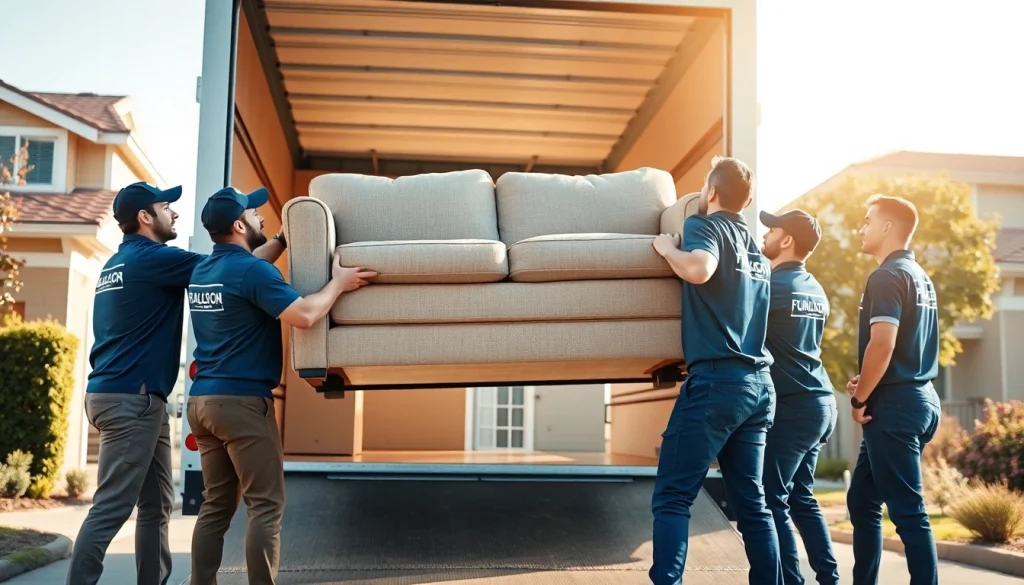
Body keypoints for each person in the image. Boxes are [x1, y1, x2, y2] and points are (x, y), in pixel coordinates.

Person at [67, 182, 287, 585]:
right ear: (145, 218)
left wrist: (278, 241)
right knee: (112, 506)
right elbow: (231, 270)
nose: (175, 214)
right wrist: (280, 240)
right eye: (166, 206)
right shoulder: (154, 260)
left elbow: (236, 268)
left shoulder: (117, 263)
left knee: (156, 504)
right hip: (132, 399)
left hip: (117, 393)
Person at [186, 186, 375, 585]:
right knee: (266, 505)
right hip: (241, 405)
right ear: (239, 225)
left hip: (203, 403)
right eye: (255, 215)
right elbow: (305, 315)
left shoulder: (204, 270)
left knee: (216, 506)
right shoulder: (252, 272)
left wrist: (284, 238)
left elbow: (249, 266)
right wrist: (339, 283)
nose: (262, 218)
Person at [650, 156, 782, 585]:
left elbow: (700, 269)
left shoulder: (704, 225)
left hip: (718, 385)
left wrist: (668, 249)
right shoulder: (758, 250)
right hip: (759, 387)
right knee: (752, 504)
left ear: (710, 193)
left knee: (673, 495)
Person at [845, 195, 941, 585]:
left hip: (895, 407)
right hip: (918, 398)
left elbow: (882, 345)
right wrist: (866, 381)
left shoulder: (885, 276)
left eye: (867, 221)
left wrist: (859, 398)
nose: (861, 228)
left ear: (887, 227)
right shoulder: (919, 274)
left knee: (908, 513)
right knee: (863, 499)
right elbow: (897, 349)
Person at [759, 209, 840, 585]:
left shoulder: (772, 287)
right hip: (821, 402)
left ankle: (791, 580)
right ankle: (830, 578)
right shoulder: (814, 288)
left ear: (786, 240)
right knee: (801, 497)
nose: (765, 235)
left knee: (771, 498)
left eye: (771, 230)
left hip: (794, 407)